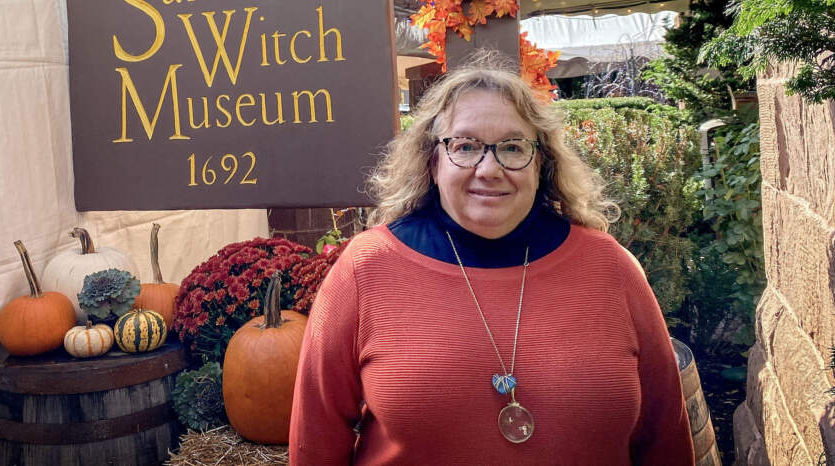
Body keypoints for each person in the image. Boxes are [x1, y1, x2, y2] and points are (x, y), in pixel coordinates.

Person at [289, 51, 695, 465]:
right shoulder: (366, 268)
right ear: (432, 161)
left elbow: (666, 438)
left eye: (512, 147)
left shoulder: (611, 268)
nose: (489, 169)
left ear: (541, 162)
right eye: (465, 146)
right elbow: (316, 442)